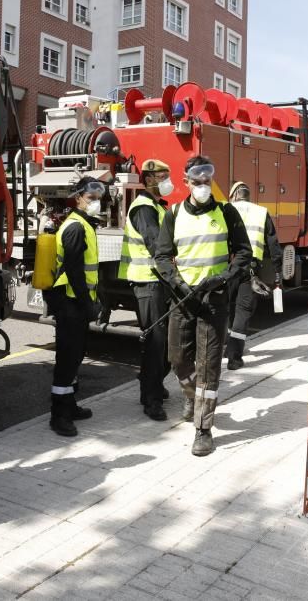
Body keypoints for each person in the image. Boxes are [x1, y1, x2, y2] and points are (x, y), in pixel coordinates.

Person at [154, 156, 252, 456]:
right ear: (186, 182)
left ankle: (203, 428)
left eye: (206, 181)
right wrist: (178, 283)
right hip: (184, 300)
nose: (202, 186)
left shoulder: (226, 212)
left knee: (208, 367)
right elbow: (161, 256)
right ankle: (193, 396)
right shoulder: (173, 214)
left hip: (214, 300)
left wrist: (221, 278)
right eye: (196, 182)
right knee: (177, 359)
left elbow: (244, 252)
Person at [49, 176, 105, 437]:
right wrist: (87, 303)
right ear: (78, 197)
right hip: (70, 302)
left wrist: (95, 299)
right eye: (91, 197)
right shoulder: (75, 227)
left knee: (75, 357)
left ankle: (69, 406)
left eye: (98, 198)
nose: (96, 202)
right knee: (67, 359)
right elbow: (73, 271)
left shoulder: (85, 224)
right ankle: (58, 416)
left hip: (77, 302)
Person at [119, 159, 174, 421]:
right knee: (155, 343)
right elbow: (156, 244)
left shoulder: (156, 206)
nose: (167, 181)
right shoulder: (143, 208)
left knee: (163, 342)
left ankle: (154, 386)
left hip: (157, 282)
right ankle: (150, 400)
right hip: (147, 281)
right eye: (163, 176)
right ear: (150, 179)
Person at [225, 181, 284, 370]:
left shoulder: (224, 209)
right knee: (243, 311)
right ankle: (234, 357)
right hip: (249, 270)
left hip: (225, 268)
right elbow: (273, 245)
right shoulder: (261, 212)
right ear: (248, 196)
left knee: (225, 308)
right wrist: (277, 271)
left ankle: (226, 347)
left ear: (234, 195)